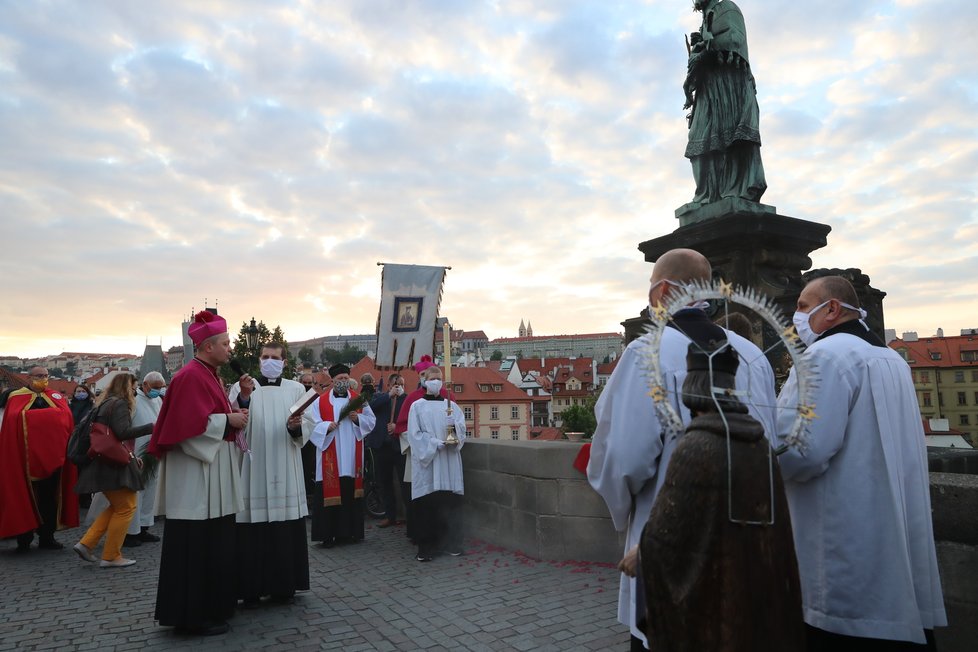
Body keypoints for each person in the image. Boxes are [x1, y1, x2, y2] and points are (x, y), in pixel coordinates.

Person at [587, 248, 777, 651]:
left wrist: (623, 513)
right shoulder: (753, 355)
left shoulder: (647, 353)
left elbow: (624, 456)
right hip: (743, 536)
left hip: (670, 540)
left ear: (664, 292)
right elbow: (770, 445)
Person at [777, 276, 946, 650]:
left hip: (840, 546)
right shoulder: (891, 359)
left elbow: (801, 450)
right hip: (891, 533)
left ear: (832, 309)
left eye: (804, 306)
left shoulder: (823, 357)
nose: (796, 316)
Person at [638, 343, 804, 650]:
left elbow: (664, 539)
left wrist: (641, 550)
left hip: (712, 610)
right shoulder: (761, 445)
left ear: (692, 388)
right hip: (757, 605)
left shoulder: (696, 446)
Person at [149, 310, 248, 636]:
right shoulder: (191, 376)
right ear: (207, 347)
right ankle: (194, 616)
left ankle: (211, 607)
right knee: (197, 547)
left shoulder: (206, 373)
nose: (230, 348)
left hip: (210, 472)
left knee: (212, 544)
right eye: (226, 342)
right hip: (196, 478)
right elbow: (187, 429)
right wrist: (228, 421)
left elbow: (204, 416)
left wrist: (230, 413)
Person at [232, 342, 310, 607]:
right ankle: (251, 588)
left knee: (284, 527)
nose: (269, 361)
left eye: (275, 357)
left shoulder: (297, 388)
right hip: (253, 465)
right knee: (253, 527)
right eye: (265, 357)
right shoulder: (244, 387)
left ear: (284, 362)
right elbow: (235, 420)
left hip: (286, 462)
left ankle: (283, 586)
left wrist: (295, 427)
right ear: (259, 360)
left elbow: (307, 425)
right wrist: (242, 401)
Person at [684, 0, 766, 206]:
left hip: (729, 85)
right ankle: (707, 195)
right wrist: (699, 49)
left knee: (730, 136)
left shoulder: (727, 8)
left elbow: (734, 40)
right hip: (709, 90)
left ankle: (733, 190)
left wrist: (704, 51)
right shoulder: (706, 20)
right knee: (698, 136)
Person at [72, 373, 153, 568]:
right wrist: (152, 427)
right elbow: (122, 433)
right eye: (134, 386)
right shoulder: (119, 404)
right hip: (112, 465)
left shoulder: (106, 403)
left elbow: (113, 436)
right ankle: (111, 555)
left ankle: (87, 543)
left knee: (118, 506)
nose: (135, 390)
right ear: (127, 386)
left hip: (104, 462)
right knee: (126, 508)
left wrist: (132, 456)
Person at [0, 367, 78, 551]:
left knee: (49, 500)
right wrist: (48, 418)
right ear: (29, 378)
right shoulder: (16, 397)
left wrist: (35, 418)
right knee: (23, 499)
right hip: (24, 461)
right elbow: (13, 420)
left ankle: (47, 537)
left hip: (53, 460)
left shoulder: (55, 396)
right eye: (39, 376)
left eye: (45, 376)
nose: (43, 379)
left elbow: (66, 417)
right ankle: (24, 539)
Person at [304, 363, 376, 547]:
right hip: (331, 453)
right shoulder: (320, 401)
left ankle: (349, 534)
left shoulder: (359, 399)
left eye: (345, 378)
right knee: (329, 492)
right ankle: (327, 536)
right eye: (339, 379)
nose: (343, 381)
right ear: (333, 380)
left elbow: (371, 421)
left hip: (351, 458)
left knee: (350, 494)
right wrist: (325, 427)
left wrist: (358, 419)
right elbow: (311, 423)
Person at [406, 364, 466, 561]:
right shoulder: (417, 406)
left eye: (439, 378)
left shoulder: (452, 406)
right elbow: (414, 435)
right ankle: (426, 547)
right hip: (429, 462)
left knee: (448, 503)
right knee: (427, 505)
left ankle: (451, 543)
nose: (435, 381)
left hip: (448, 460)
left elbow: (462, 428)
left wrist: (454, 433)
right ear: (425, 381)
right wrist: (433, 444)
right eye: (432, 378)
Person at [366, 373, 409, 529]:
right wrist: (388, 396)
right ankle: (389, 515)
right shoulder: (381, 398)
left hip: (399, 447)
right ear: (389, 386)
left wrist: (396, 427)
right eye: (396, 385)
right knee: (384, 483)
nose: (399, 388)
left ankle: (408, 516)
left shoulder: (406, 400)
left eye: (402, 385)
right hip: (382, 446)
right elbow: (369, 407)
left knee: (405, 484)